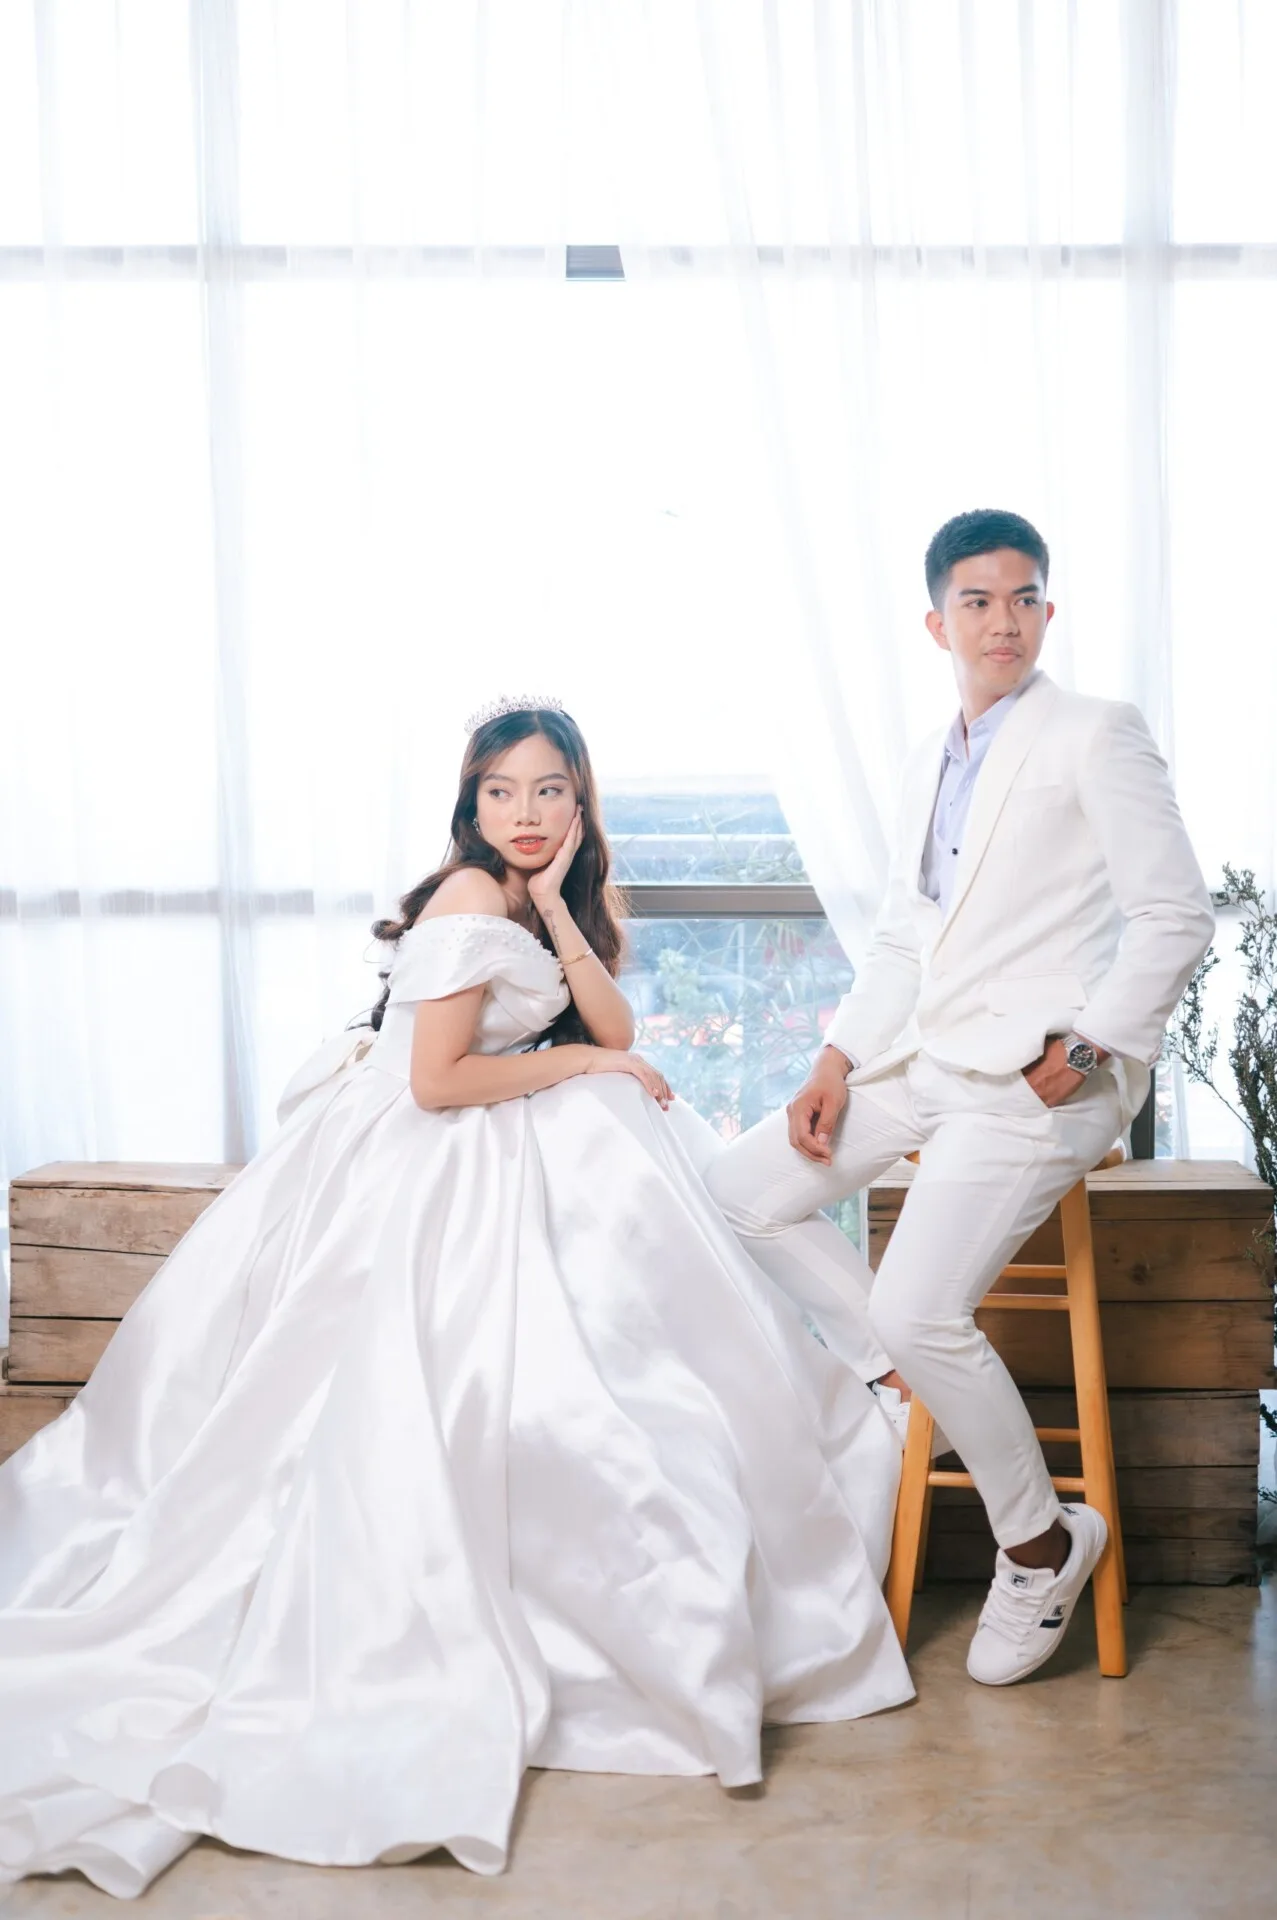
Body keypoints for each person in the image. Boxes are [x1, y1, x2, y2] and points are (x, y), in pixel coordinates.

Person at [0, 698, 911, 1897]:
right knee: (540, 1227)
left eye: (548, 791)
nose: (524, 813)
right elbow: (435, 1081)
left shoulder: (534, 896)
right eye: (500, 791)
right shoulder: (468, 896)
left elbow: (616, 1021)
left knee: (618, 1148)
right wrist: (579, 1059)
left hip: (493, 1107)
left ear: (578, 804)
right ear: (470, 803)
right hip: (418, 1143)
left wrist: (562, 915)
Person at [705, 509, 1215, 1688]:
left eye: (1023, 598)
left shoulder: (1094, 733)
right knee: (736, 1190)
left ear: (1046, 610)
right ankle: (893, 1368)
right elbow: (902, 936)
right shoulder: (925, 758)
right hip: (926, 1058)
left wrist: (1089, 1045)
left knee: (914, 1304)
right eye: (977, 602)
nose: (1003, 621)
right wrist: (834, 1060)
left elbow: (1173, 913)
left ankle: (1038, 1545)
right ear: (936, 624)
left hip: (1040, 1081)